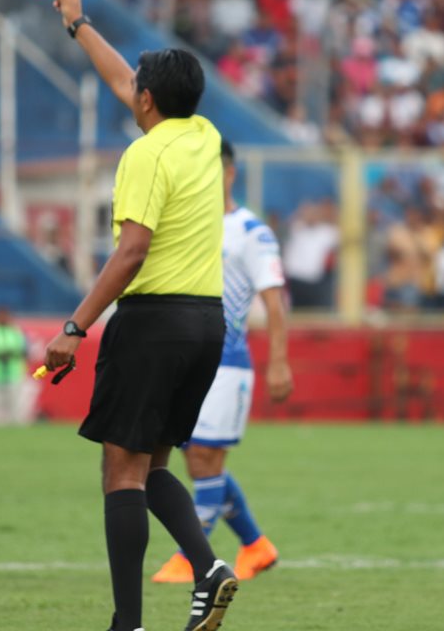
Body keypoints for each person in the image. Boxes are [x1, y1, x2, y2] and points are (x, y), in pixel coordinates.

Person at [44, 0, 238, 631]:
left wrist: (75, 327)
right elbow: (129, 81)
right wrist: (78, 25)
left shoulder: (143, 154)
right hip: (206, 324)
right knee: (152, 465)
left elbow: (131, 252)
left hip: (153, 323)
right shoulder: (205, 136)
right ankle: (208, 570)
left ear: (148, 102)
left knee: (119, 471)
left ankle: (128, 622)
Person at [152, 139, 293, 585]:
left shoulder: (252, 232)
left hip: (229, 360)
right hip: (189, 359)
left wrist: (279, 362)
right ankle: (255, 545)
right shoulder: (189, 226)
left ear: (228, 173)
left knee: (208, 456)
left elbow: (274, 301)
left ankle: (190, 557)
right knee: (196, 458)